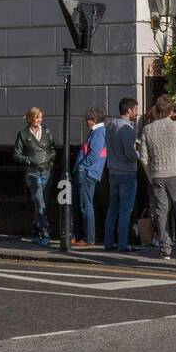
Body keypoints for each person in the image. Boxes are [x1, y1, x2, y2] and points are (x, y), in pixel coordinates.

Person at [138, 95, 176, 259]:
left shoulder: (147, 129)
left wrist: (150, 175)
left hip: (157, 175)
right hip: (175, 173)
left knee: (161, 211)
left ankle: (165, 248)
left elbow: (143, 157)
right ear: (170, 110)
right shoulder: (175, 126)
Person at [13, 106, 55, 247]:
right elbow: (16, 154)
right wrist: (29, 160)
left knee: (42, 204)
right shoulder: (23, 134)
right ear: (30, 118)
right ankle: (45, 232)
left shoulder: (47, 132)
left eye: (40, 117)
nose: (39, 120)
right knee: (39, 202)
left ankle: (36, 231)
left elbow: (52, 149)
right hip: (33, 172)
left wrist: (50, 159)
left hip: (46, 171)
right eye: (36, 117)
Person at [103, 97, 139, 253]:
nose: (137, 112)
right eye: (136, 109)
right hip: (127, 173)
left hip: (113, 172)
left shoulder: (110, 125)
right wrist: (140, 153)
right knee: (126, 210)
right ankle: (123, 244)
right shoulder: (127, 129)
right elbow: (130, 154)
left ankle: (108, 242)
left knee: (113, 209)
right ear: (129, 110)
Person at [72, 106, 107, 247]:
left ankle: (88, 238)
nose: (86, 123)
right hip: (86, 172)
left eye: (87, 120)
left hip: (87, 173)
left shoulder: (99, 133)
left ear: (92, 120)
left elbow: (94, 154)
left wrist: (82, 167)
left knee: (86, 206)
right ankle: (82, 236)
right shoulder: (97, 132)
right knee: (82, 205)